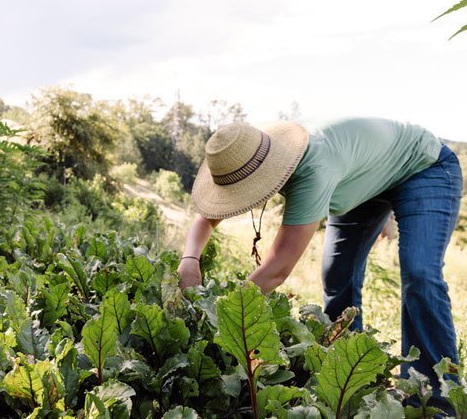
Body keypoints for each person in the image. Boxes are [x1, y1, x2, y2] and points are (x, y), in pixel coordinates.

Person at [178, 117, 462, 404]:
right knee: (337, 274)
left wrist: (217, 317)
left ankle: (436, 397)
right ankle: (351, 377)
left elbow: (276, 271)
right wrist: (190, 259)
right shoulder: (251, 156)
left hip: (425, 167)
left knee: (420, 273)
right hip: (363, 181)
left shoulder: (312, 173)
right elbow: (207, 217)